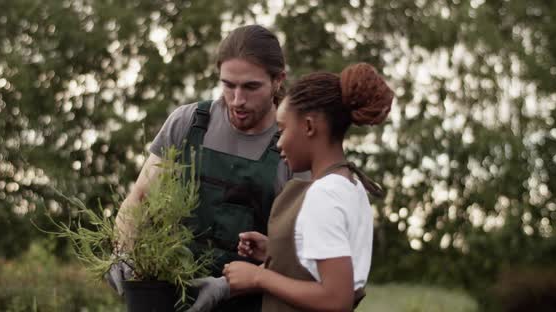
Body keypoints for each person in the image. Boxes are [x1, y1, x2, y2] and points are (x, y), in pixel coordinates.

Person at [106, 25, 292, 312]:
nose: (238, 100)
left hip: (251, 303)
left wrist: (252, 270)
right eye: (228, 85)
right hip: (174, 293)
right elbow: (139, 199)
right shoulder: (188, 123)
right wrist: (122, 253)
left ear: (278, 80)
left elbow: (301, 254)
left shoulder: (292, 147)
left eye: (251, 87)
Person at [221, 62, 394, 311]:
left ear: (309, 127)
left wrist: (258, 277)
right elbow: (328, 266)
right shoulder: (350, 185)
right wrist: (277, 251)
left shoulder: (325, 194)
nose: (279, 143)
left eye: (282, 130)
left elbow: (336, 297)